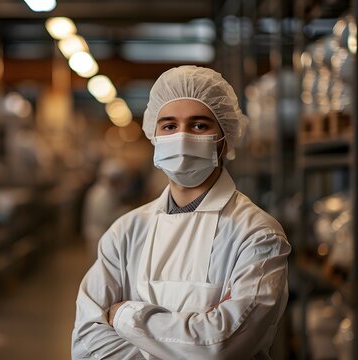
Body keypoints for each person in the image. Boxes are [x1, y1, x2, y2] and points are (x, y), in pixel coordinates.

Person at [71, 65, 291, 359]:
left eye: (199, 125)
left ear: (225, 140)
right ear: (155, 136)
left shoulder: (258, 235)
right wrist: (194, 334)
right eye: (169, 126)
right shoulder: (125, 232)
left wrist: (124, 315)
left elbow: (221, 346)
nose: (182, 137)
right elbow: (87, 346)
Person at [82, 158, 132, 262]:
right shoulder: (102, 195)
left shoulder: (106, 191)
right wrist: (125, 212)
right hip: (97, 235)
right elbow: (105, 219)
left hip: (100, 234)